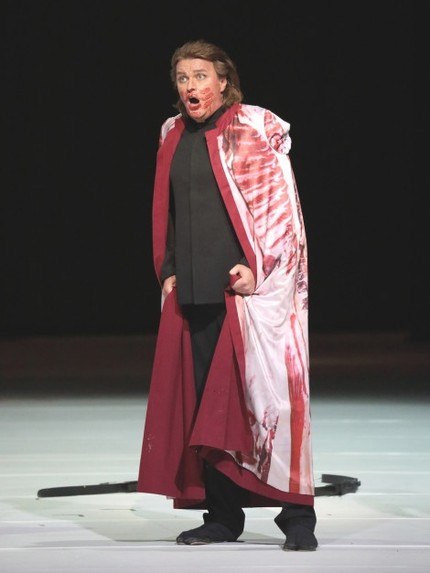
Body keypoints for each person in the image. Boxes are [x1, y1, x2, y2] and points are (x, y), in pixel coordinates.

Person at [137, 39, 318, 551]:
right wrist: (168, 269)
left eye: (200, 76)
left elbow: (281, 211)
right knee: (207, 409)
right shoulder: (172, 133)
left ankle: (297, 516)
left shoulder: (251, 127)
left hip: (247, 294)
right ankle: (222, 516)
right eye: (182, 78)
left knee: (271, 400)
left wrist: (257, 268)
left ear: (223, 80)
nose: (190, 87)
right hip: (196, 291)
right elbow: (169, 209)